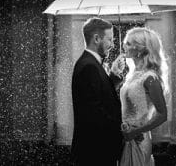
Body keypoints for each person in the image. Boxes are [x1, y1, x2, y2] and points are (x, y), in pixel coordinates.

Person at [71, 17, 125, 166]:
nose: (113, 45)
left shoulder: (91, 63)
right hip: (94, 152)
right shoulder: (89, 66)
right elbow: (95, 112)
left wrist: (113, 76)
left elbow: (100, 96)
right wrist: (121, 129)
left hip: (96, 149)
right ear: (96, 38)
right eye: (109, 40)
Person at [111, 27, 169, 166]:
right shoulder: (132, 74)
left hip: (139, 139)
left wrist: (136, 131)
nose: (124, 46)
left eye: (129, 43)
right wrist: (115, 75)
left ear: (141, 50)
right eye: (125, 42)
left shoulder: (150, 78)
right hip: (126, 138)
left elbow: (162, 114)